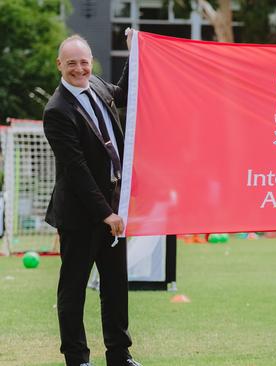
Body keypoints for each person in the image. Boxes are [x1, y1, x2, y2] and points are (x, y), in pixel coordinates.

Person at [43, 31, 141, 366]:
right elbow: (77, 170)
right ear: (60, 64)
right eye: (72, 63)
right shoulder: (56, 111)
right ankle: (77, 358)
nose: (79, 69)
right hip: (80, 216)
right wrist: (105, 214)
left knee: (115, 287)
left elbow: (124, 93)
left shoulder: (97, 85)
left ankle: (119, 354)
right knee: (73, 289)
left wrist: (134, 54)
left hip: (113, 208)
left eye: (84, 62)